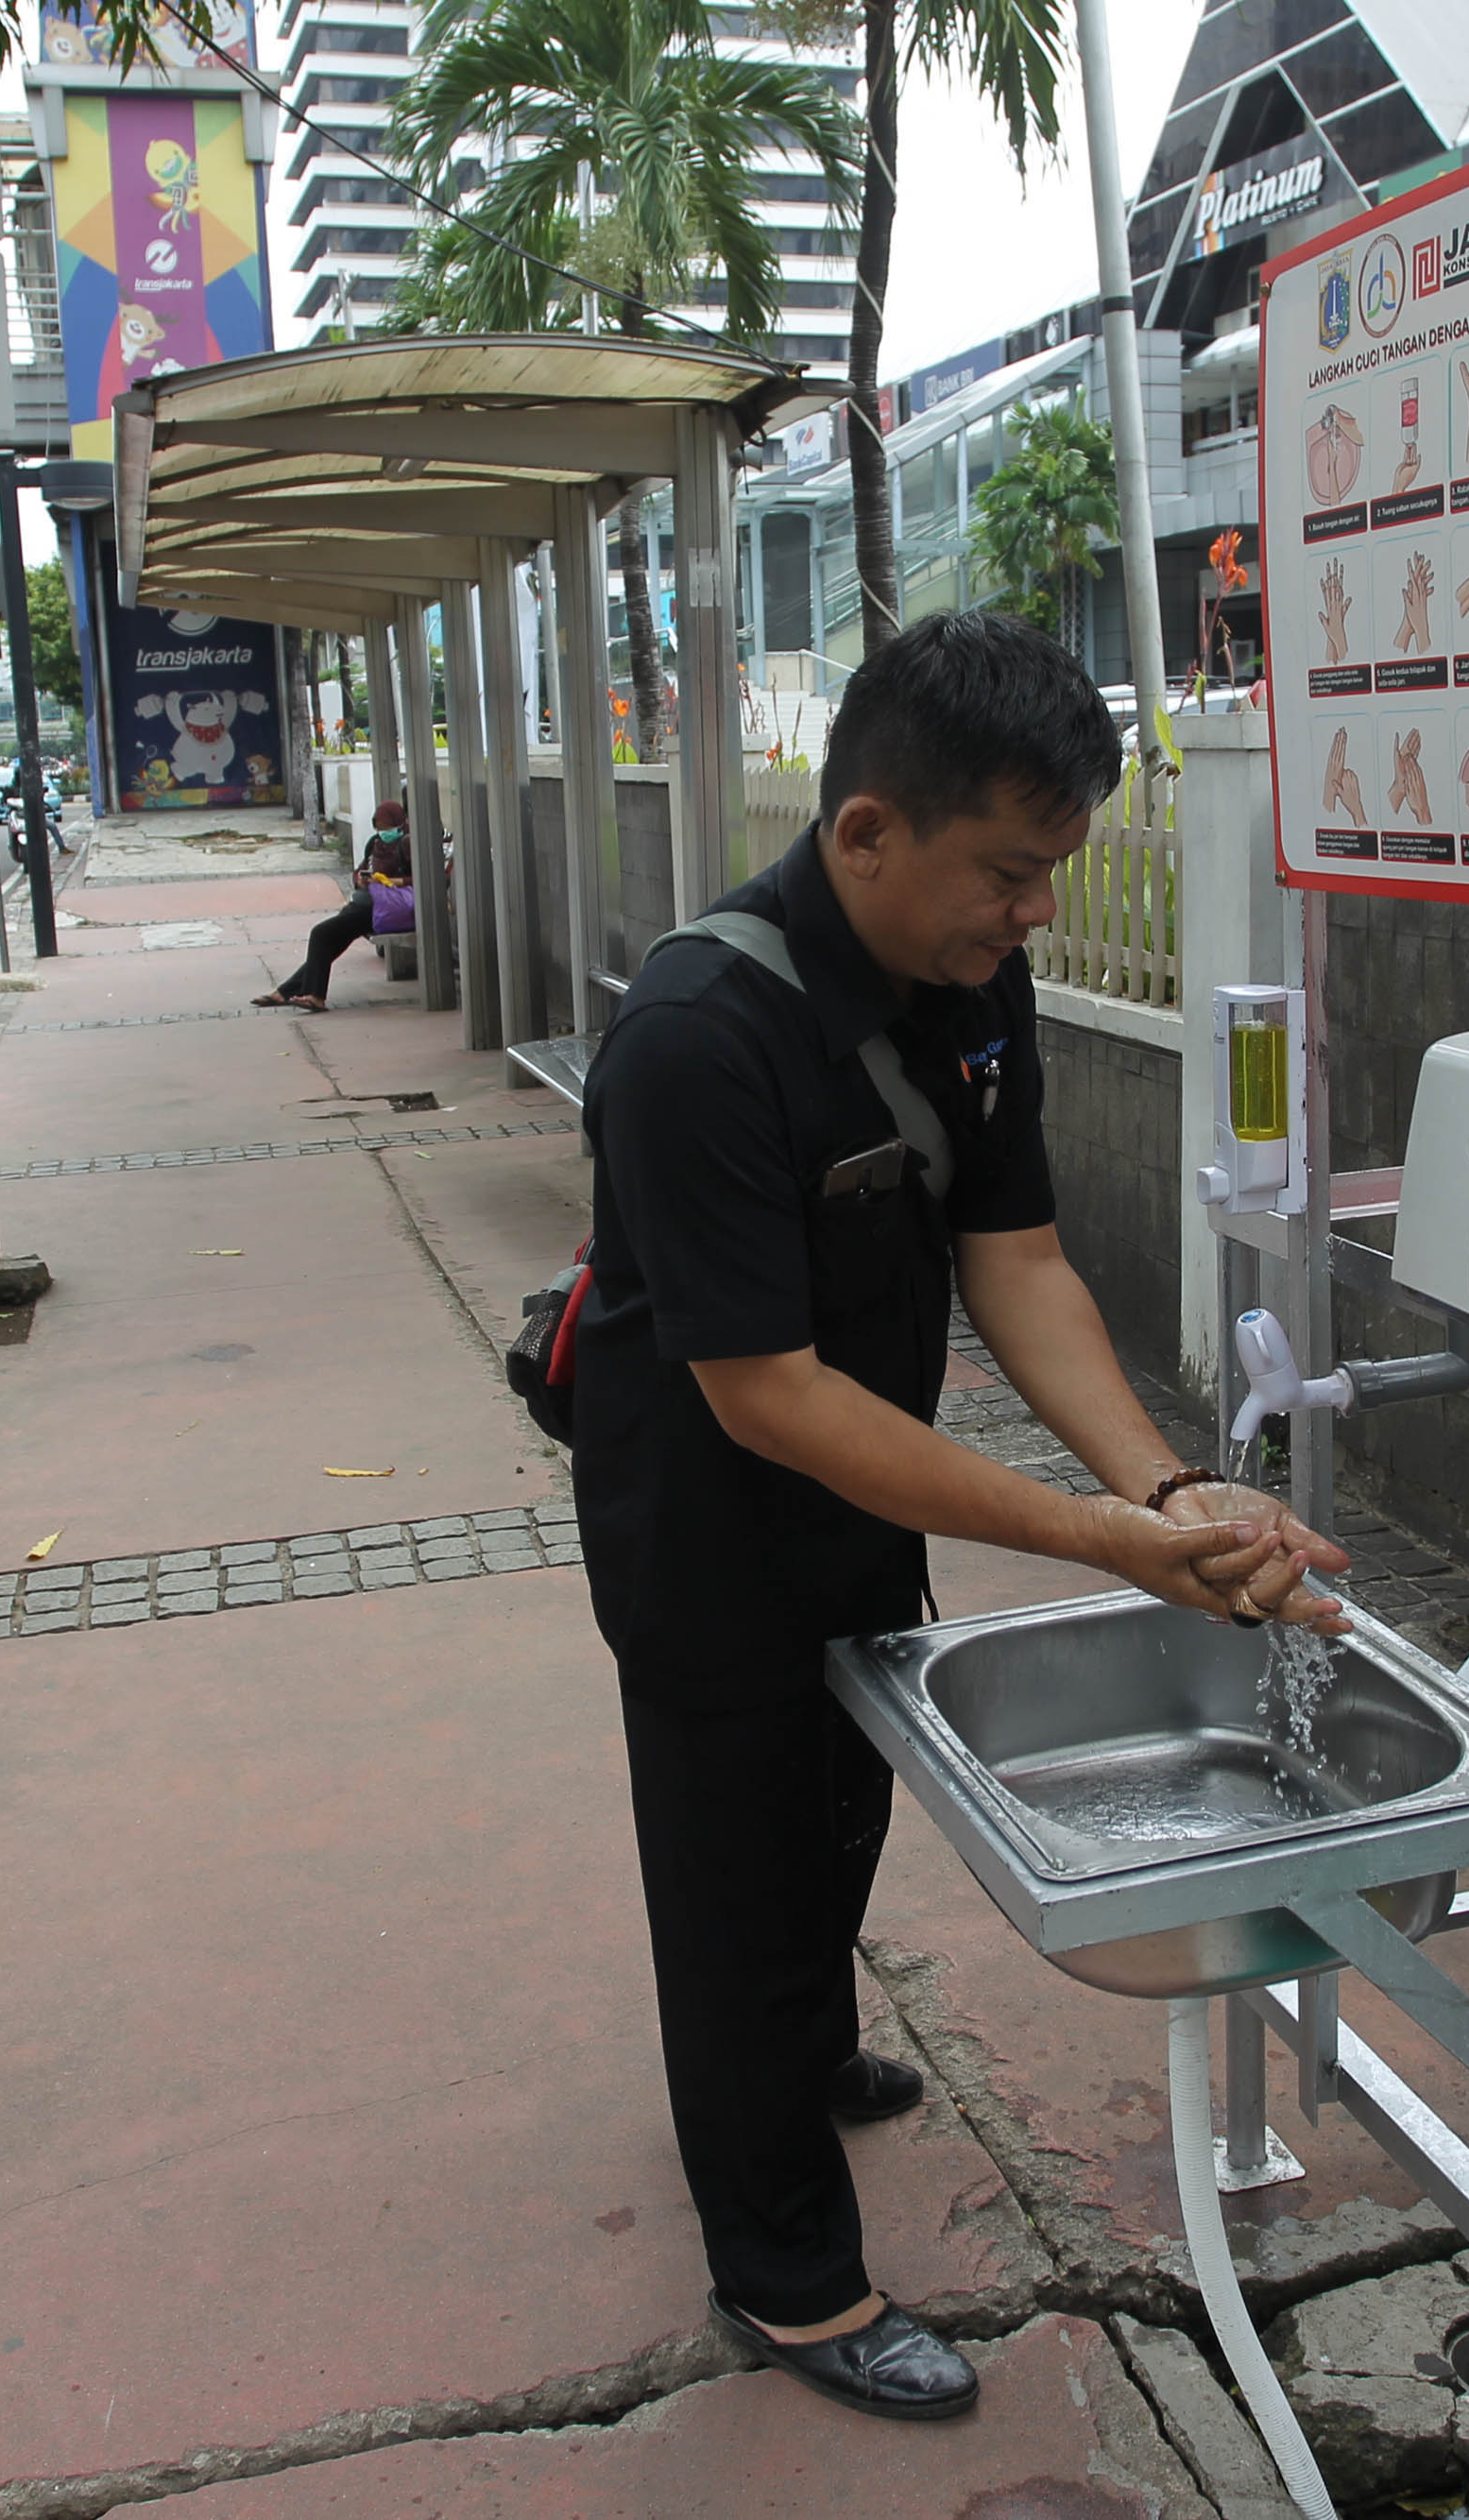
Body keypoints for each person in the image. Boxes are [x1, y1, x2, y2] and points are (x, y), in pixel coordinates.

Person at [573, 610, 1350, 2425]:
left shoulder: (968, 985)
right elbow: (762, 1391)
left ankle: (804, 2044)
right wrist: (1091, 1541)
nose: (1034, 917)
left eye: (1050, 873)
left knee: (846, 1790)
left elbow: (1015, 1257)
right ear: (864, 832)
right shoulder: (698, 1038)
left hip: (869, 1482)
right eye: (1009, 873)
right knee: (737, 1873)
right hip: (707, 1521)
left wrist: (1166, 1483)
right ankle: (786, 2268)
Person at [253, 800, 414, 1011]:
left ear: (399, 823)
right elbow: (360, 870)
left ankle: (309, 995)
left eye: (386, 827)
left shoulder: (407, 844)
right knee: (330, 941)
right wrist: (361, 880)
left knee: (321, 934)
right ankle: (288, 992)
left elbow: (423, 877)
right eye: (379, 827)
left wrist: (392, 882)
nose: (383, 832)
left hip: (388, 910)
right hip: (367, 906)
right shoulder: (375, 844)